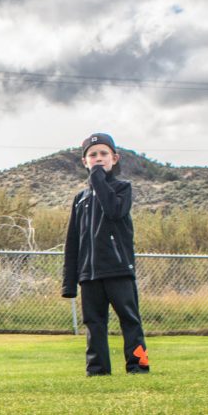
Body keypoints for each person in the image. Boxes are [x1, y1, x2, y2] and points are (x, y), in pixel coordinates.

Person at [61, 132, 150, 375]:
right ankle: (97, 370)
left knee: (129, 319)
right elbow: (73, 241)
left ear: (114, 158)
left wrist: (98, 179)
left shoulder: (122, 188)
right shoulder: (80, 199)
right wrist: (69, 283)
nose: (98, 159)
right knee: (94, 323)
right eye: (93, 155)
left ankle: (138, 365)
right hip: (89, 274)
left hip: (118, 269)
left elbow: (113, 211)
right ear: (84, 162)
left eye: (103, 154)